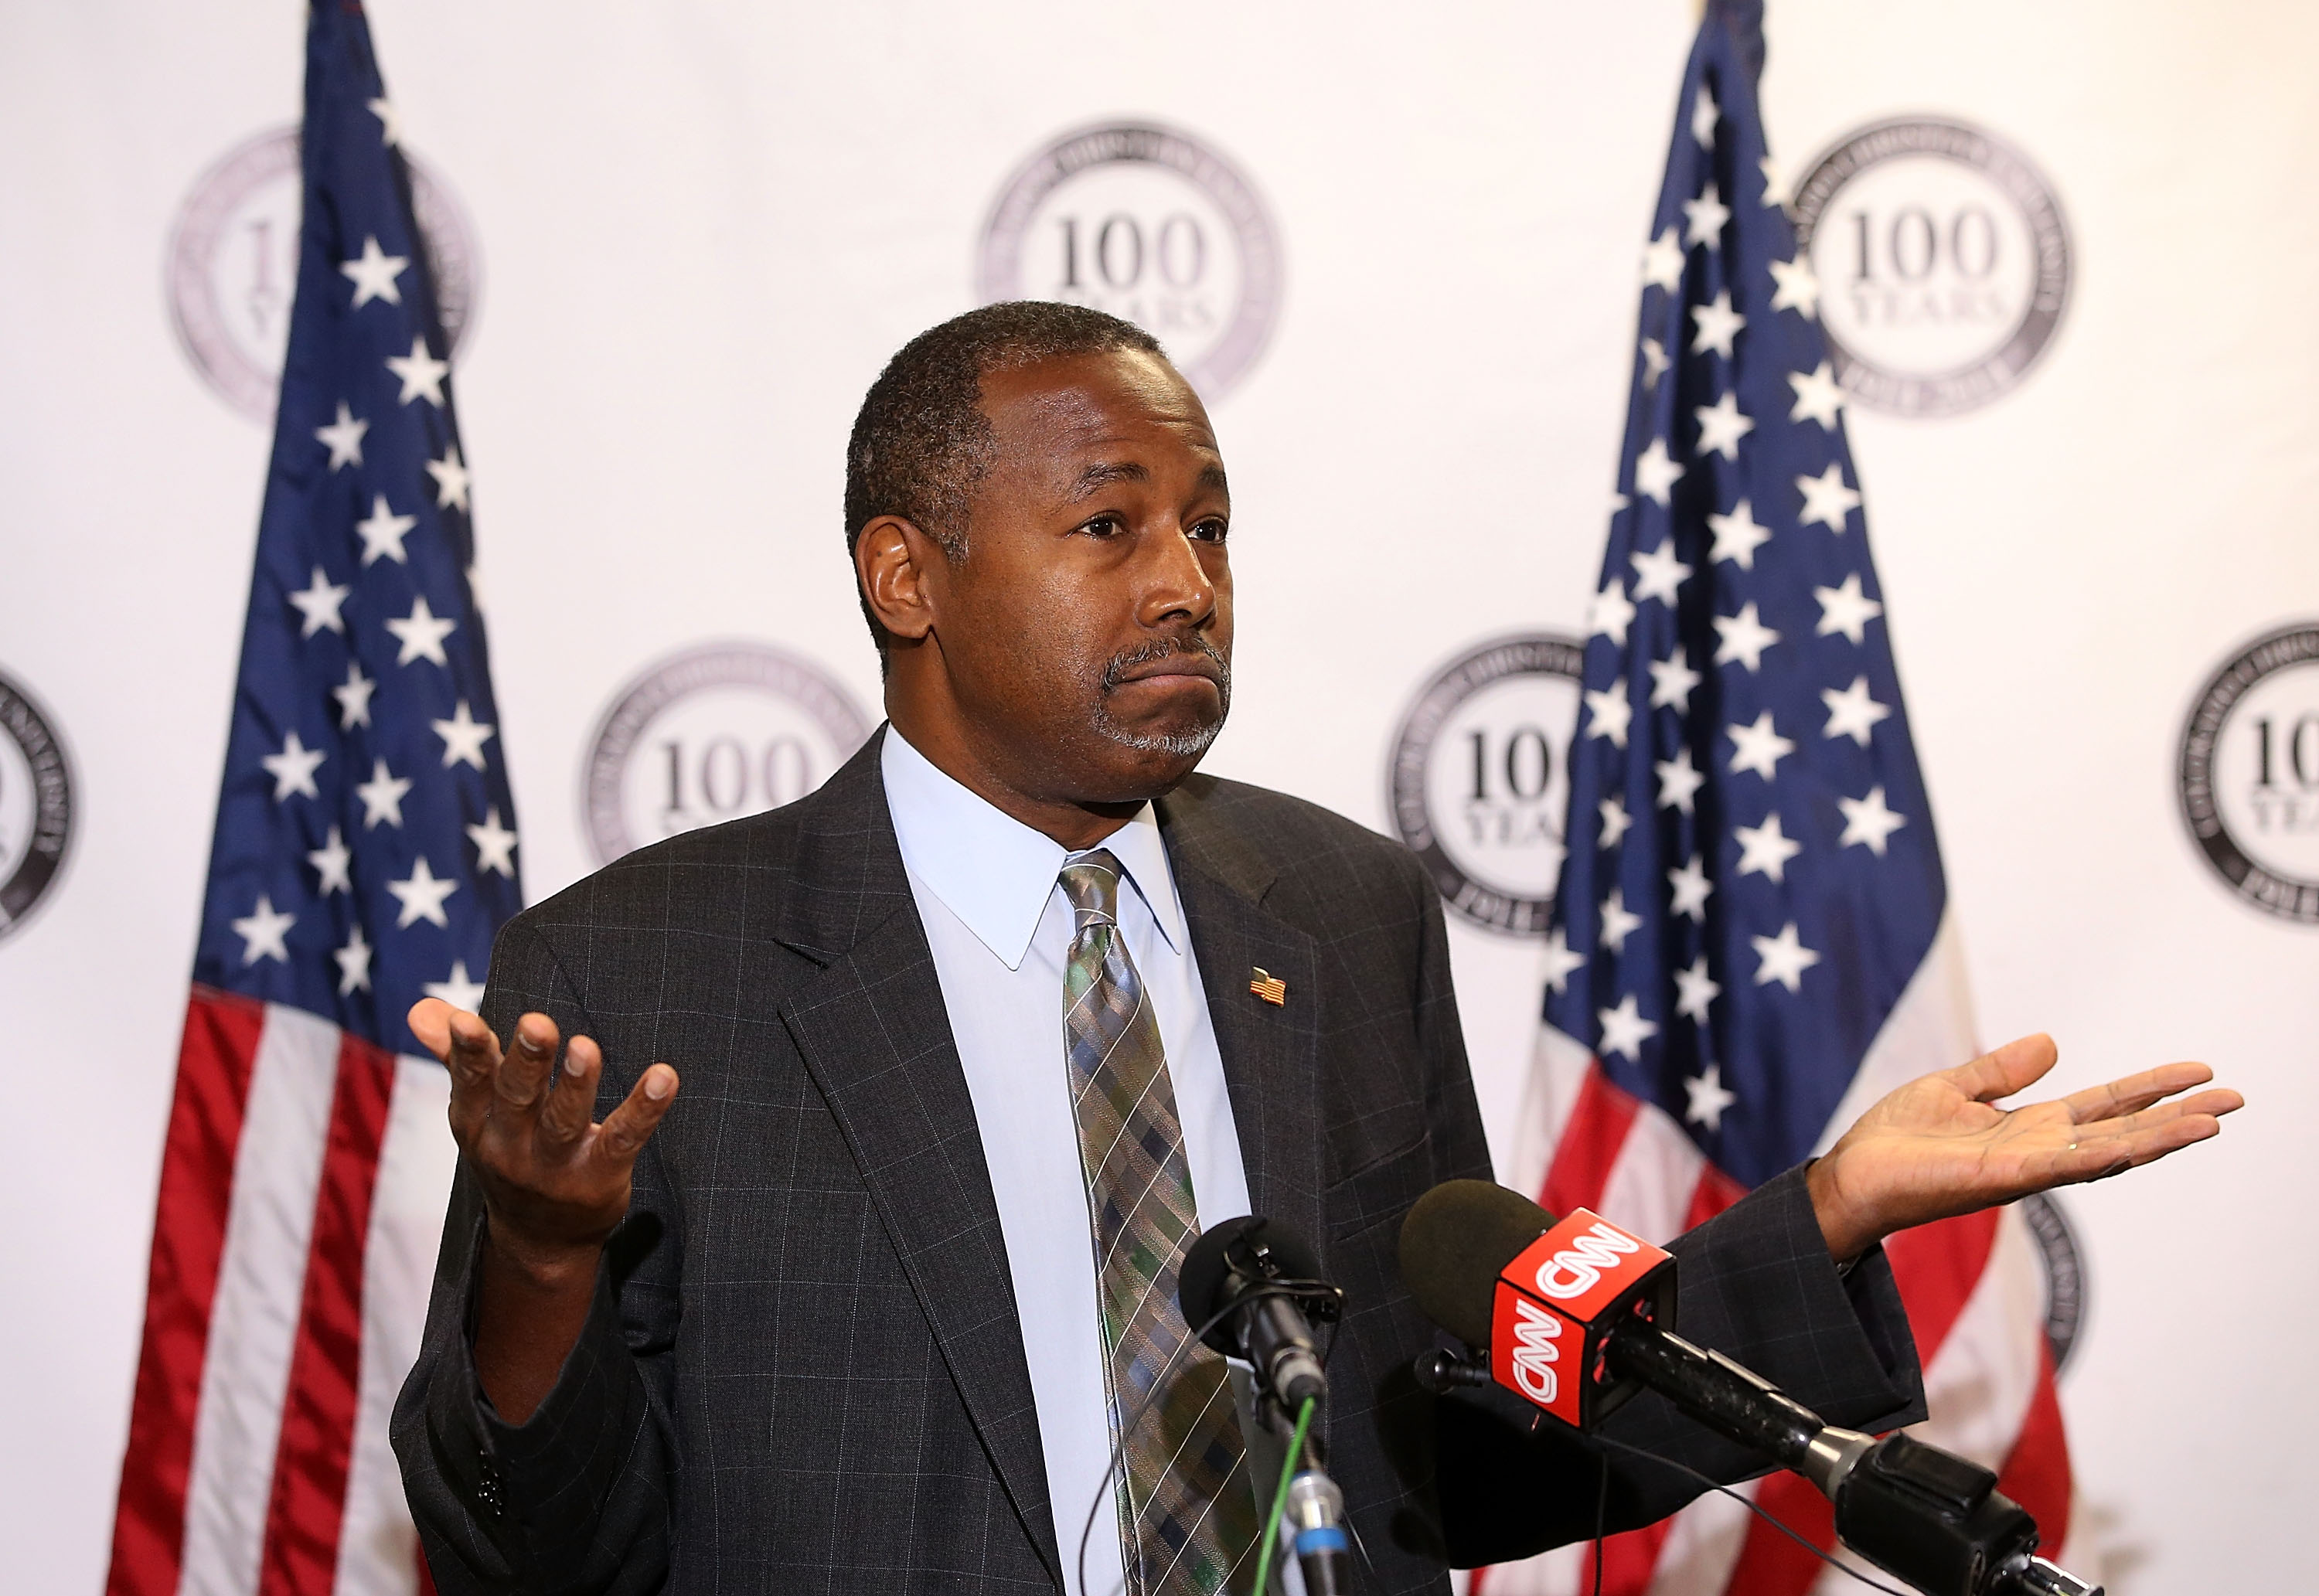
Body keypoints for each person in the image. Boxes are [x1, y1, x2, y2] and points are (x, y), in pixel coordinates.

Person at [391, 303, 2239, 1596]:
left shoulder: (1338, 912)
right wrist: (547, 1259)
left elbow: (1464, 1446)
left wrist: (1821, 1210)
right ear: (908, 577)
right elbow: (533, 1554)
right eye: (1108, 528)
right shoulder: (649, 969)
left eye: (1206, 524)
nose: (1187, 579)